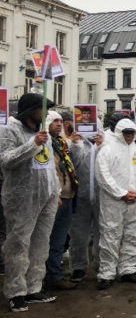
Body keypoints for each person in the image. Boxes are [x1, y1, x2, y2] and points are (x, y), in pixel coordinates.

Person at [0, 93, 59, 312]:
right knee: (18, 245)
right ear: (30, 109)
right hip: (21, 199)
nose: (45, 113)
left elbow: (49, 165)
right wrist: (32, 144)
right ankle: (16, 292)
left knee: (41, 245)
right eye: (42, 108)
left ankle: (35, 287)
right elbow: (6, 160)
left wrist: (56, 191)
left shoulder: (43, 133)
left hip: (48, 197)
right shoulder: (10, 129)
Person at [95, 119, 136, 290]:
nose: (128, 135)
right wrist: (121, 194)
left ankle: (128, 269)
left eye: (131, 132)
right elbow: (102, 175)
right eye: (125, 132)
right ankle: (107, 273)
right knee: (110, 236)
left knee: (134, 235)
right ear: (118, 132)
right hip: (113, 203)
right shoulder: (107, 151)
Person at [43, 111, 79, 290]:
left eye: (60, 121)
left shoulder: (62, 143)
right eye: (54, 121)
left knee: (59, 239)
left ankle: (54, 274)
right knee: (46, 239)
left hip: (68, 196)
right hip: (53, 198)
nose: (59, 124)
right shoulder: (45, 143)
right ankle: (44, 274)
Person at [68, 126, 104, 284]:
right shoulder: (75, 144)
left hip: (101, 197)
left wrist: (101, 146)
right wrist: (75, 144)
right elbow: (72, 166)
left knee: (101, 232)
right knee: (78, 234)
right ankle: (78, 267)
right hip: (80, 197)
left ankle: (102, 264)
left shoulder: (105, 145)